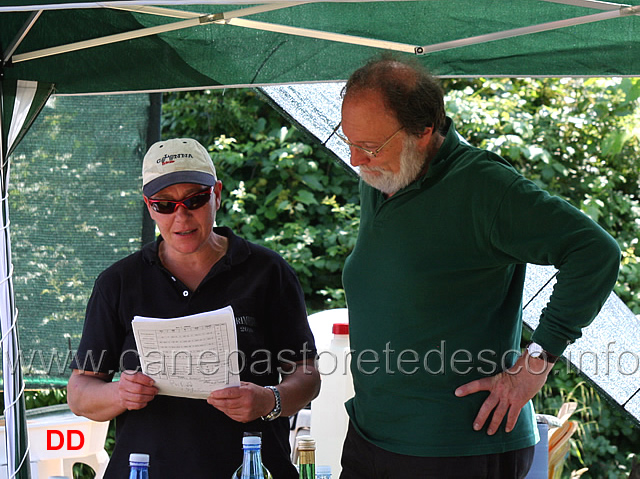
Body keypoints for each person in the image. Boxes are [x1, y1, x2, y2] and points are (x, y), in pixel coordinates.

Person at [336, 55, 621, 478]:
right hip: (371, 438)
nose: (357, 161)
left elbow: (595, 252)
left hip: (455, 448)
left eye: (370, 147)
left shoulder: (485, 187)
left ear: (425, 130)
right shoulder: (385, 177)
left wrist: (535, 362)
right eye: (350, 143)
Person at [67, 138, 320, 478]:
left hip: (250, 468)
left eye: (195, 199)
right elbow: (80, 392)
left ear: (217, 193)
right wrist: (120, 393)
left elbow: (306, 374)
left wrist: (269, 400)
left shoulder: (267, 272)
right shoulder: (119, 282)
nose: (181, 216)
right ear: (148, 205)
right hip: (146, 469)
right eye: (164, 205)